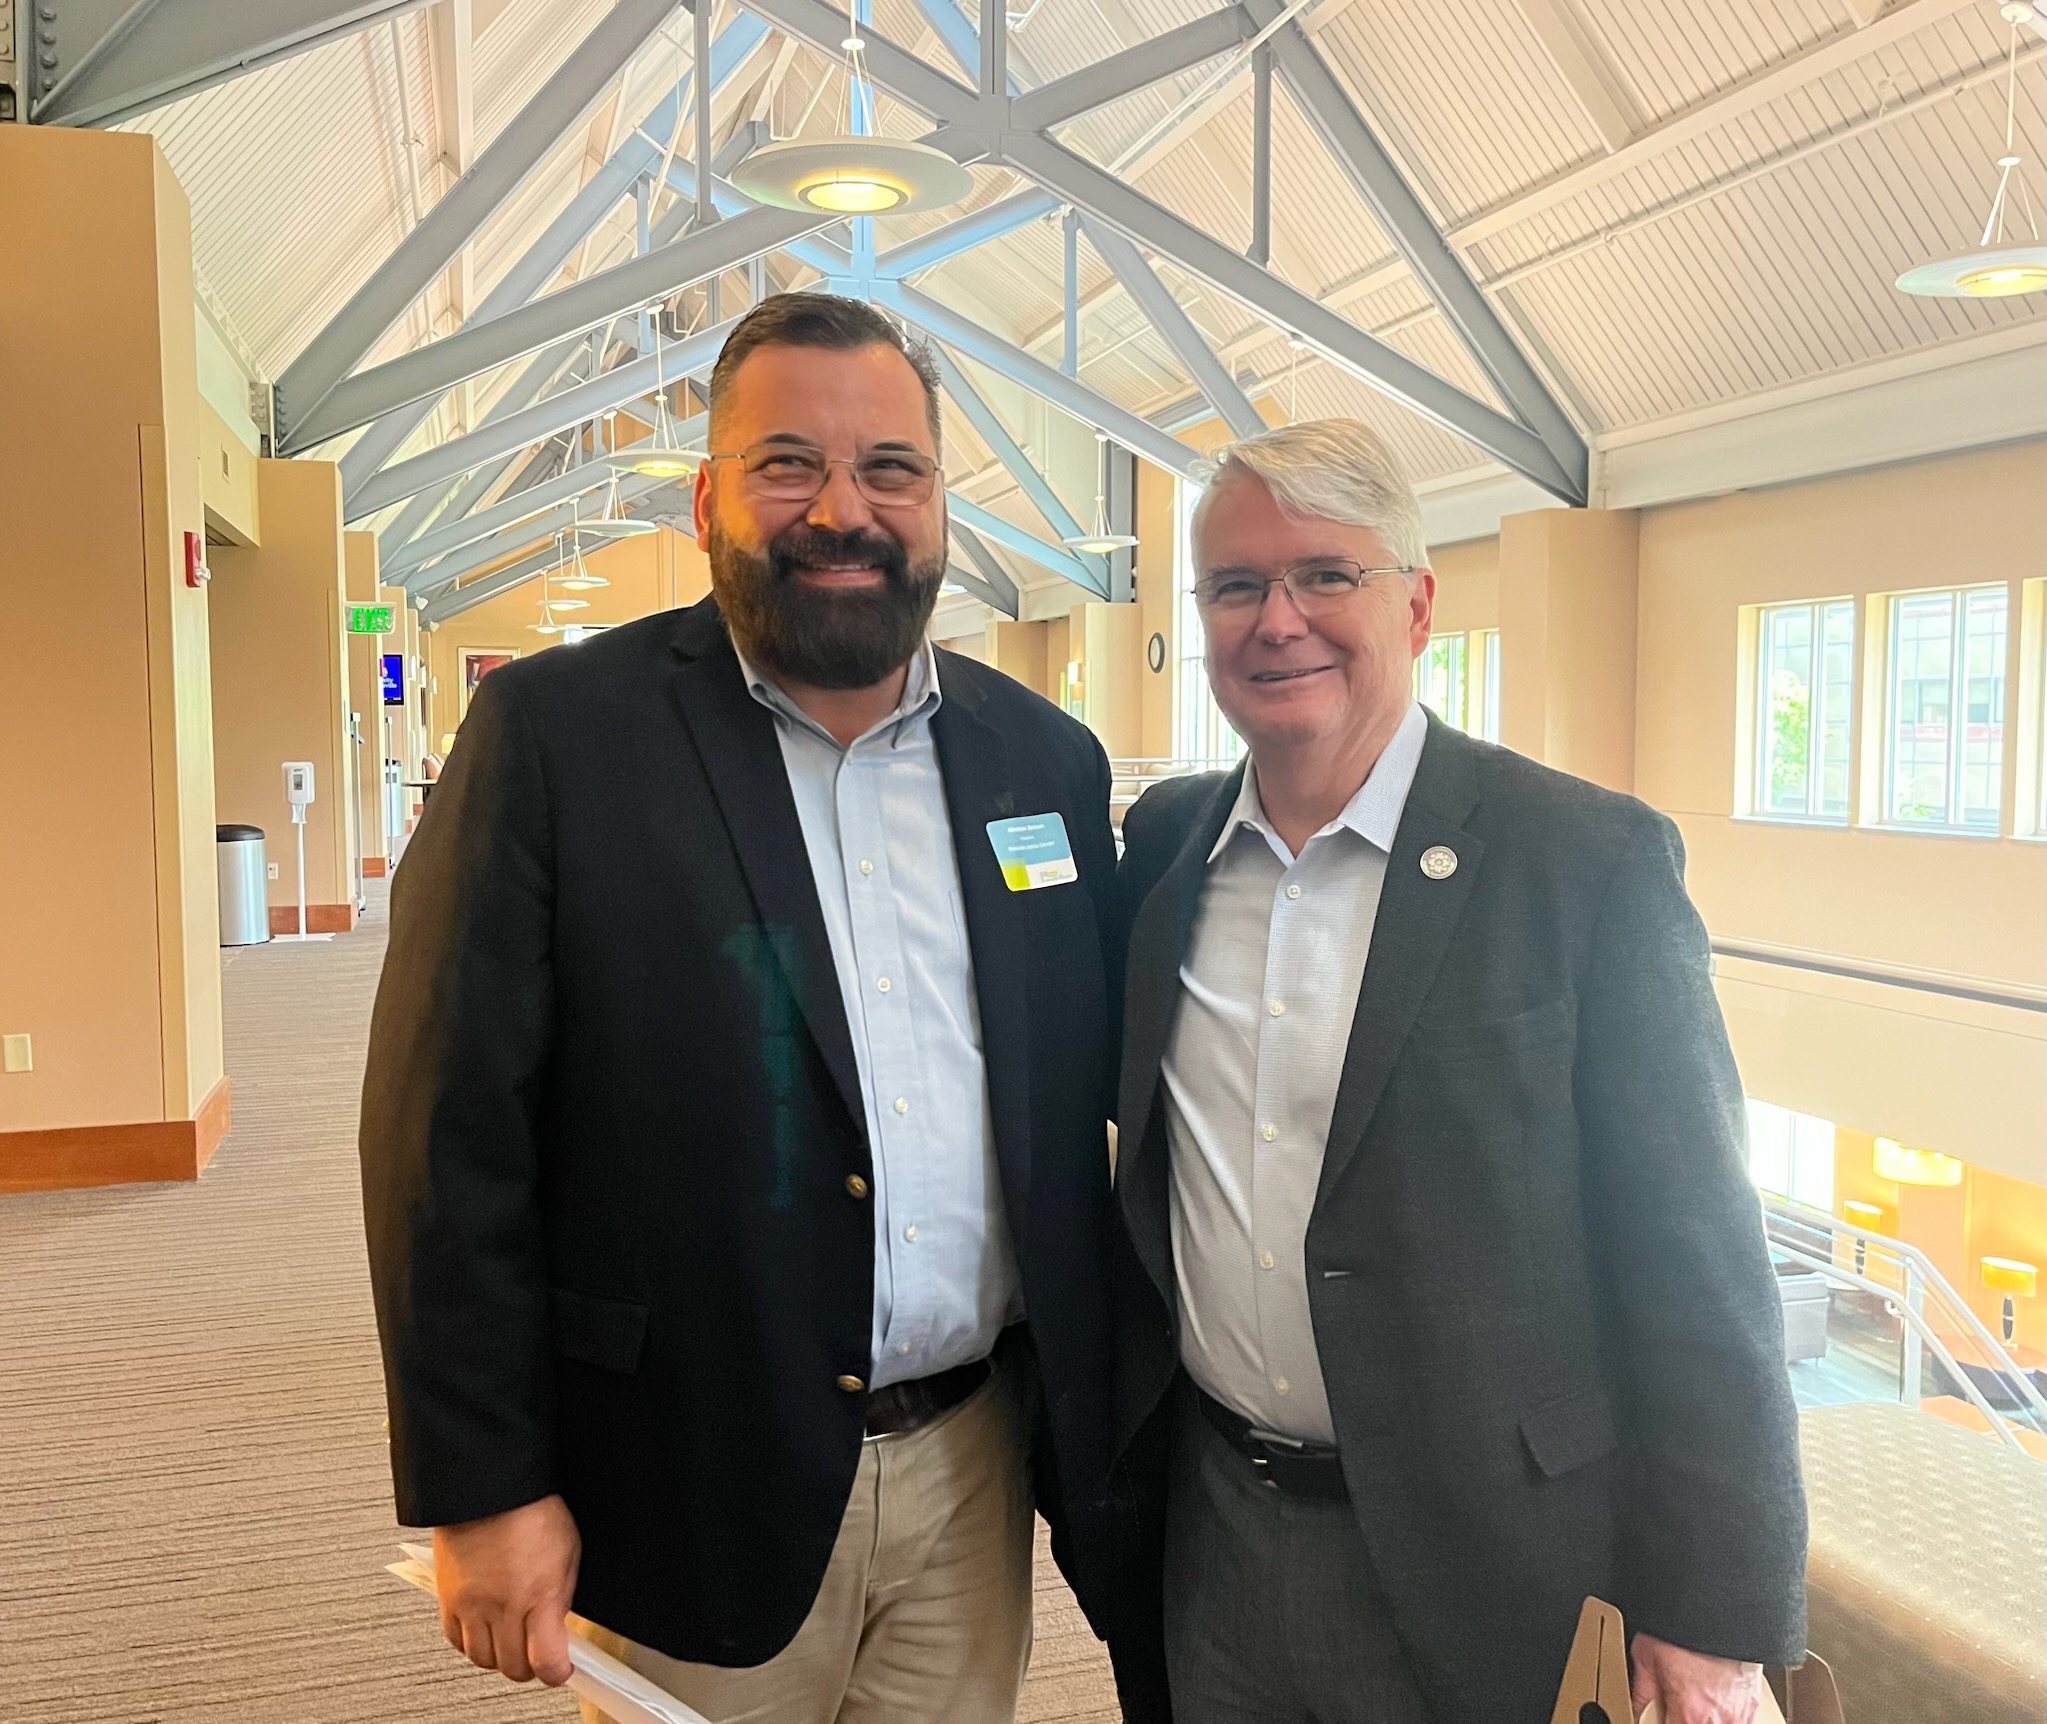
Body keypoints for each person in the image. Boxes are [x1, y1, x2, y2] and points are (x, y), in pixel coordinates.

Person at [360, 292, 1159, 1724]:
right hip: (688, 1459)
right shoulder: (557, 738)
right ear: (708, 496)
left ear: (940, 501)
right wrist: (484, 1485)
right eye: (789, 463)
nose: (843, 509)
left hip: (973, 1463)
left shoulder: (1042, 760)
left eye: (891, 469)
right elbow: (445, 1134)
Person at [1110, 419, 1806, 1724]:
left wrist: (1714, 1620)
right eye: (1236, 585)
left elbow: (1699, 1258)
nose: (1279, 620)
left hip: (1488, 1562)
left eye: (1326, 575)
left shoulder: (1584, 865)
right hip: (1213, 1534)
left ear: (1417, 604)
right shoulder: (1163, 851)